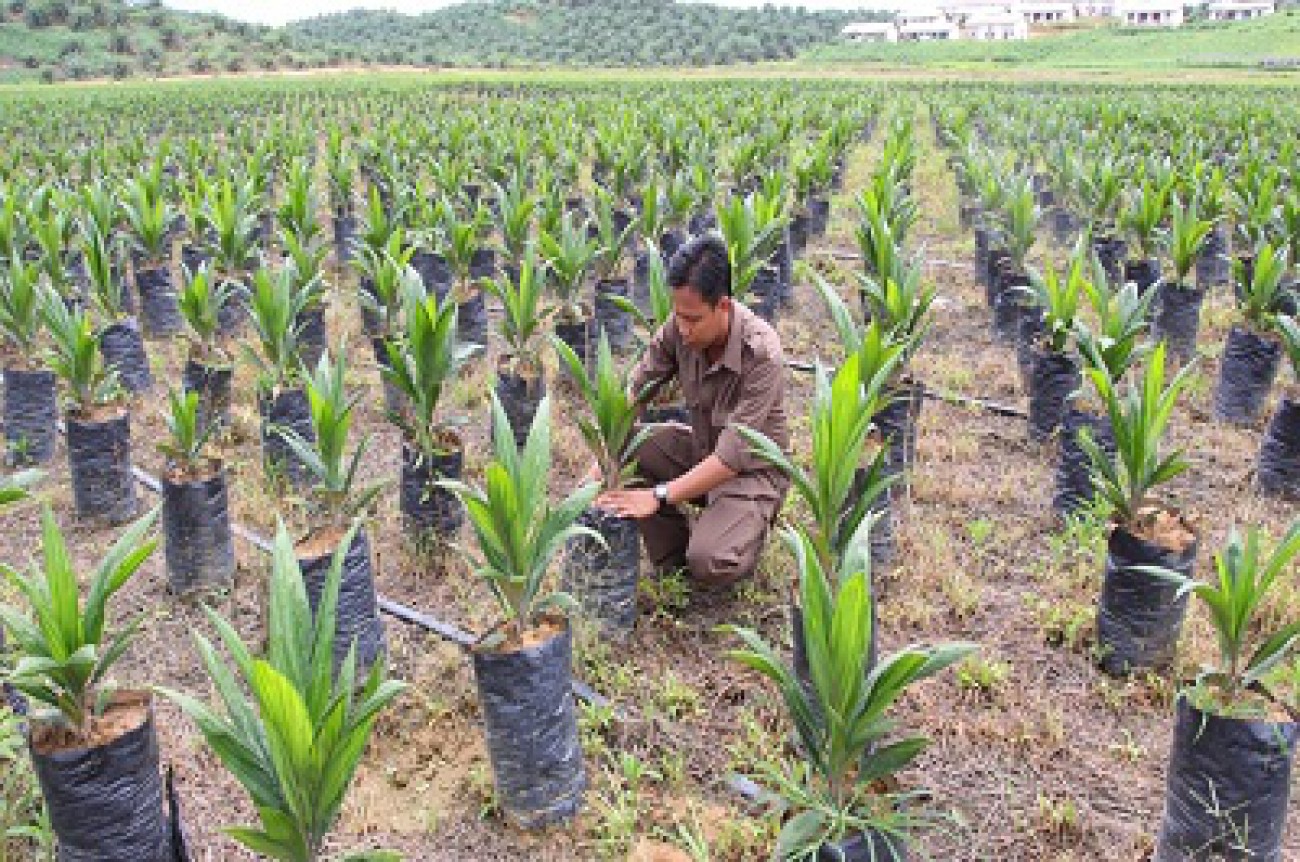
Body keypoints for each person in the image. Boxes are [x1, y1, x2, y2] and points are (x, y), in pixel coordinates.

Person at [597, 233, 790, 589]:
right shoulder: (679, 328)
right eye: (678, 316)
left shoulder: (761, 353)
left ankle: (746, 526)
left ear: (724, 307)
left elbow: (732, 457)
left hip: (751, 473)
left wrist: (657, 495)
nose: (682, 329)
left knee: (710, 561)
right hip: (702, 451)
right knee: (631, 448)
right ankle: (674, 553)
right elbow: (636, 394)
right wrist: (601, 464)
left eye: (693, 319)